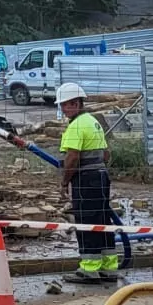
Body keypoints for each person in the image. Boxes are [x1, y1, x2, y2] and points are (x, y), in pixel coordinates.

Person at [56, 83, 118, 284]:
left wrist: (65, 182)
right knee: (103, 220)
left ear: (75, 103)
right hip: (101, 176)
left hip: (86, 179)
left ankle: (89, 270)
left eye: (65, 105)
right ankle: (109, 268)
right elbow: (106, 154)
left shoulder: (76, 126)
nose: (63, 109)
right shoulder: (93, 121)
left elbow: (72, 157)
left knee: (86, 222)